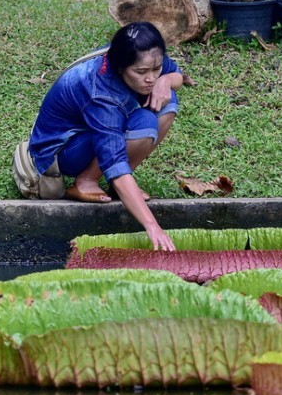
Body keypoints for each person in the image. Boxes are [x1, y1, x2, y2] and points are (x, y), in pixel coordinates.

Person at [28, 22, 183, 251]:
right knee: (146, 123)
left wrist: (166, 80)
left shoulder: (143, 55)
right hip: (61, 152)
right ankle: (85, 182)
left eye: (155, 69)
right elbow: (114, 161)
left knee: (167, 102)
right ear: (120, 67)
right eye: (141, 72)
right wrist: (152, 226)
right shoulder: (102, 94)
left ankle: (119, 188)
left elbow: (176, 75)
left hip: (92, 132)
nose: (150, 78)